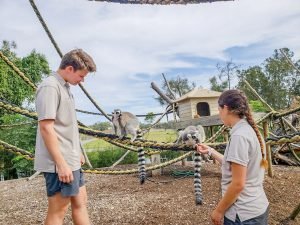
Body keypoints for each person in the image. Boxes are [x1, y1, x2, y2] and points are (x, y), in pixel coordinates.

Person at [34, 49, 96, 225]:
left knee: (80, 202)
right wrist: (61, 164)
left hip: (71, 158)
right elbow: (46, 127)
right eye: (81, 76)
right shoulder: (50, 86)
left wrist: (76, 152)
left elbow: (66, 126)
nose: (82, 80)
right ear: (70, 68)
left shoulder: (65, 87)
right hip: (59, 162)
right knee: (58, 211)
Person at [196, 89, 269, 225]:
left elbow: (238, 184)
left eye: (219, 109)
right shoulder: (249, 130)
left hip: (242, 214)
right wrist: (211, 151)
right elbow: (237, 166)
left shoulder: (239, 136)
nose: (219, 114)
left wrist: (219, 211)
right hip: (257, 207)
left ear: (226, 108)